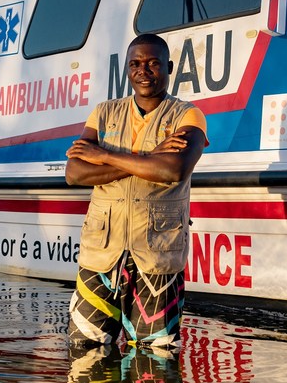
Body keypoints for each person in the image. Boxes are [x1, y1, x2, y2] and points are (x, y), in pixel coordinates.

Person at [65, 33, 208, 352]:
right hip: (100, 257)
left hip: (157, 259)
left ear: (169, 67)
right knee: (84, 355)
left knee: (155, 367)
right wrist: (148, 156)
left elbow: (173, 170)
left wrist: (104, 156)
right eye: (135, 64)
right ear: (127, 70)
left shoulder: (188, 115)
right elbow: (75, 174)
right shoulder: (103, 113)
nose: (144, 70)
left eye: (153, 63)